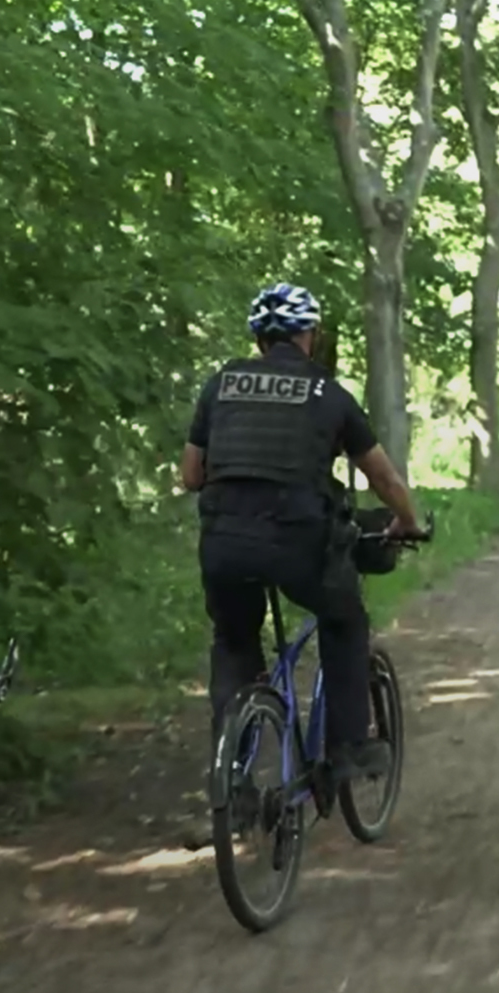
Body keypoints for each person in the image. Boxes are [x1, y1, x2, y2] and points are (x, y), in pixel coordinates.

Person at [180, 283, 423, 778]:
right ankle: (350, 747)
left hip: (223, 543)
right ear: (309, 335)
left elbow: (191, 476)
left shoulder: (220, 384)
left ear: (259, 339)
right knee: (344, 620)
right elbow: (384, 478)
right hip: (298, 542)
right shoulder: (327, 393)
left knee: (233, 642)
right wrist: (407, 521)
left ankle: (231, 774)